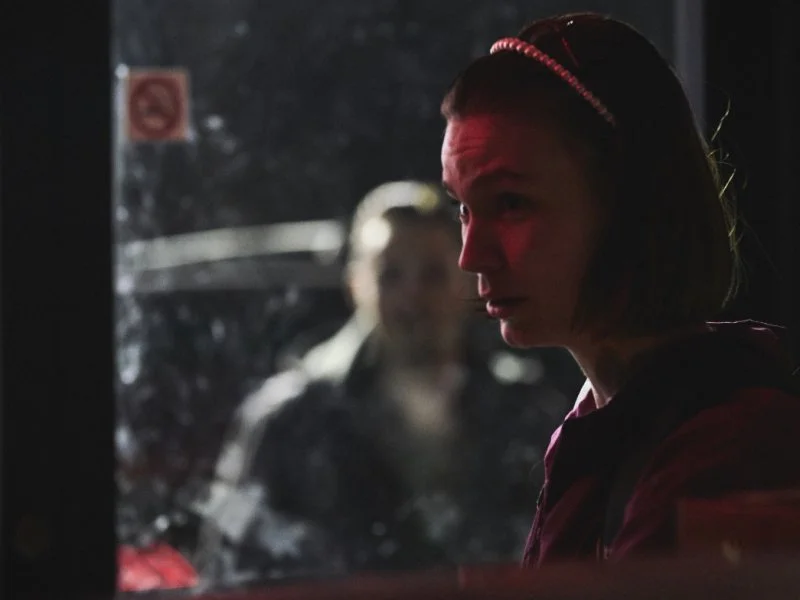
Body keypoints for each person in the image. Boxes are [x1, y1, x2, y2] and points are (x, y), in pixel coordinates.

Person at [439, 12, 800, 565]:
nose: (471, 255)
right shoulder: (608, 422)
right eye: (464, 209)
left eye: (511, 203)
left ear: (631, 204)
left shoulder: (733, 447)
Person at [191, 180, 579, 585]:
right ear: (355, 283)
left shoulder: (525, 412)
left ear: (467, 283)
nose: (413, 297)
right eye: (390, 275)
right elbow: (228, 570)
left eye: (433, 274)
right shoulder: (289, 423)